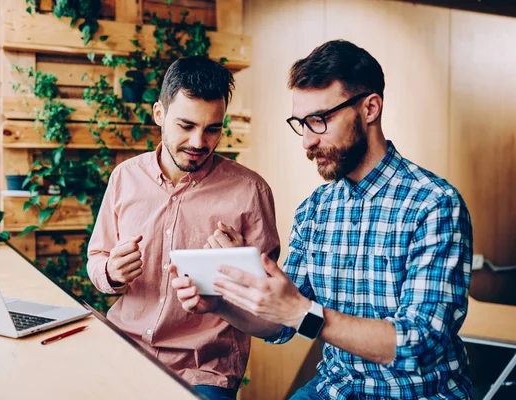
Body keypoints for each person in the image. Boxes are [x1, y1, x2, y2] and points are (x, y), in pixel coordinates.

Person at [171, 40, 473, 399]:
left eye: (319, 121)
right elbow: (281, 323)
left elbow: (419, 343)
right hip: (336, 389)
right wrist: (221, 304)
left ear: (370, 108)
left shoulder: (434, 204)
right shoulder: (315, 209)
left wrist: (302, 311)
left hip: (416, 392)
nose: (307, 142)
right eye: (302, 123)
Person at [87, 55, 280, 400]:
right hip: (124, 348)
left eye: (212, 129)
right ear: (159, 114)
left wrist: (238, 273)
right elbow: (97, 257)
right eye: (186, 125)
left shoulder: (251, 192)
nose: (198, 142)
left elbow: (270, 313)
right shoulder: (124, 178)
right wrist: (111, 271)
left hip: (204, 368)